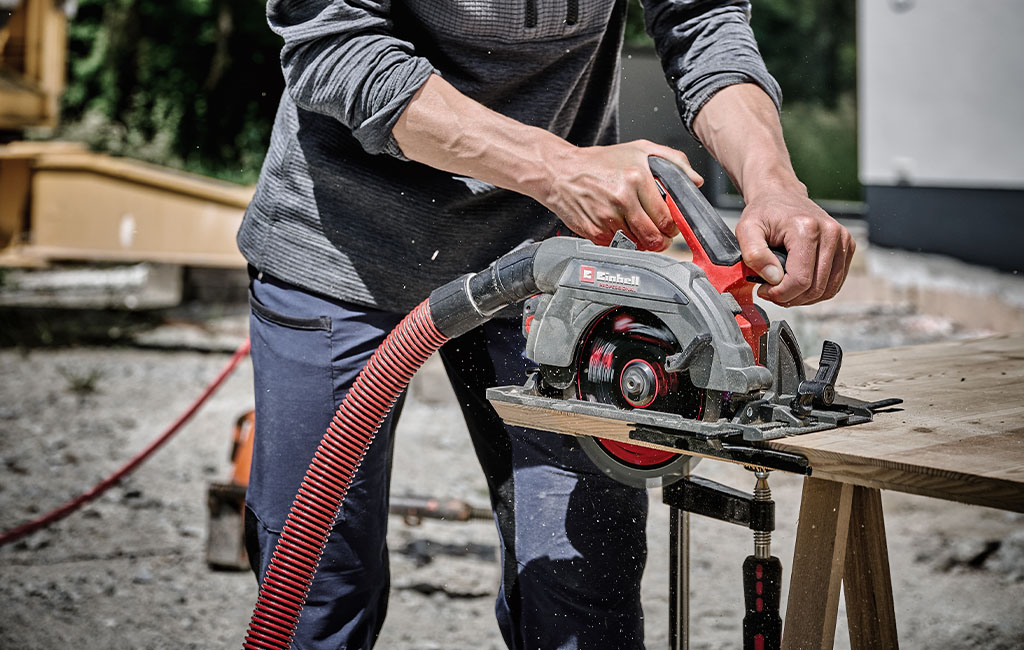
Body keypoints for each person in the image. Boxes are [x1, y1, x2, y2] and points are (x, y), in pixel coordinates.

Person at [237, 2, 856, 649]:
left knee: (584, 598)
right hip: (340, 247)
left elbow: (700, 19)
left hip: (554, 266)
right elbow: (336, 47)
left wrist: (773, 181)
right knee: (315, 589)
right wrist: (555, 168)